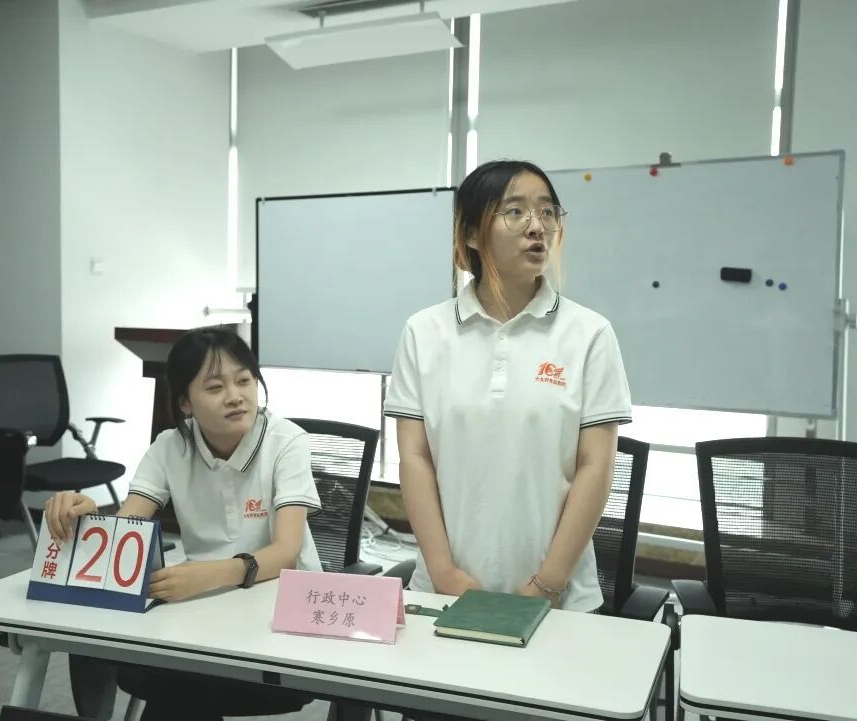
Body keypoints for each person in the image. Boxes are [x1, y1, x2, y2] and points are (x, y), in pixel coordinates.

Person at [384, 159, 632, 613]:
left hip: (559, 601)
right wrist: (444, 573)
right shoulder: (424, 332)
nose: (537, 227)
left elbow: (595, 466)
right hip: (442, 592)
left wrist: (547, 584)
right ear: (471, 234)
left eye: (547, 212)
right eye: (515, 211)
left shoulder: (589, 334)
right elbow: (416, 459)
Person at [46, 326, 322, 721]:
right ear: (186, 404)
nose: (235, 396)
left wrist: (207, 576)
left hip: (280, 614)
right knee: (114, 654)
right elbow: (128, 526)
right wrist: (88, 516)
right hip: (203, 613)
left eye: (244, 381)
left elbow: (286, 552)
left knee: (176, 688)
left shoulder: (287, 442)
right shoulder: (170, 446)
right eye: (215, 387)